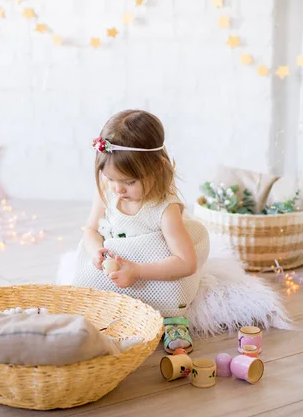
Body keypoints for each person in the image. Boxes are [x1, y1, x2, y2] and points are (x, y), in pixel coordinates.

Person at [71, 109, 210, 354]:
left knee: (174, 290)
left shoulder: (164, 209)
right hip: (118, 269)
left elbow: (186, 262)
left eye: (129, 182)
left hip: (155, 272)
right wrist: (97, 252)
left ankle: (172, 320)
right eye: (111, 179)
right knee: (83, 289)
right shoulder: (108, 190)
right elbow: (91, 230)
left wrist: (137, 271)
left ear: (157, 168)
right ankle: (116, 313)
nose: (118, 189)